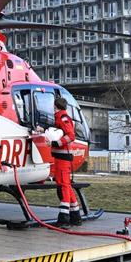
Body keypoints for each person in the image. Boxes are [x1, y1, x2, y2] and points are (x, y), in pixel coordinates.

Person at [50, 96, 81, 227]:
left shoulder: (63, 118)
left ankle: (64, 219)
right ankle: (76, 215)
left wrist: (56, 143)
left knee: (63, 186)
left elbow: (71, 135)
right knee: (66, 186)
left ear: (55, 107)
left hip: (63, 159)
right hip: (60, 158)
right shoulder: (60, 119)